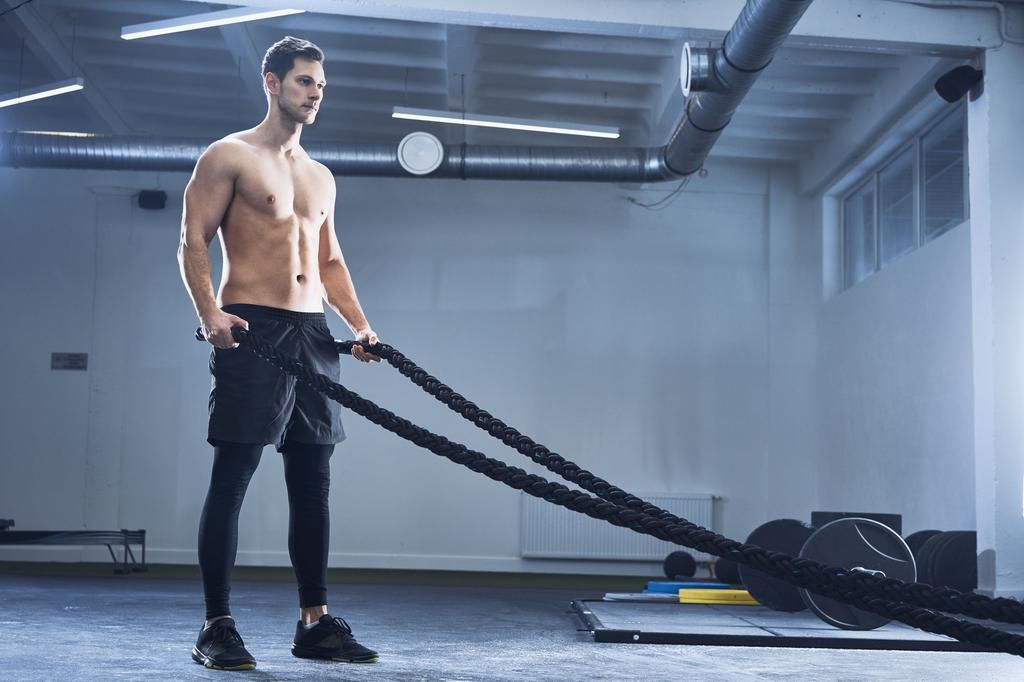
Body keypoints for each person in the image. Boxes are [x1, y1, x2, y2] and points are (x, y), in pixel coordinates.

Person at [177, 36, 381, 671]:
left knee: (313, 482)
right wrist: (209, 315)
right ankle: (217, 624)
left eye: (320, 84)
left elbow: (330, 260)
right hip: (252, 328)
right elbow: (191, 239)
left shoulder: (319, 176)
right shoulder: (229, 155)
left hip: (313, 332)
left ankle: (314, 623)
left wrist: (362, 326)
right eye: (303, 82)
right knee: (234, 475)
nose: (315, 93)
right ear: (271, 83)